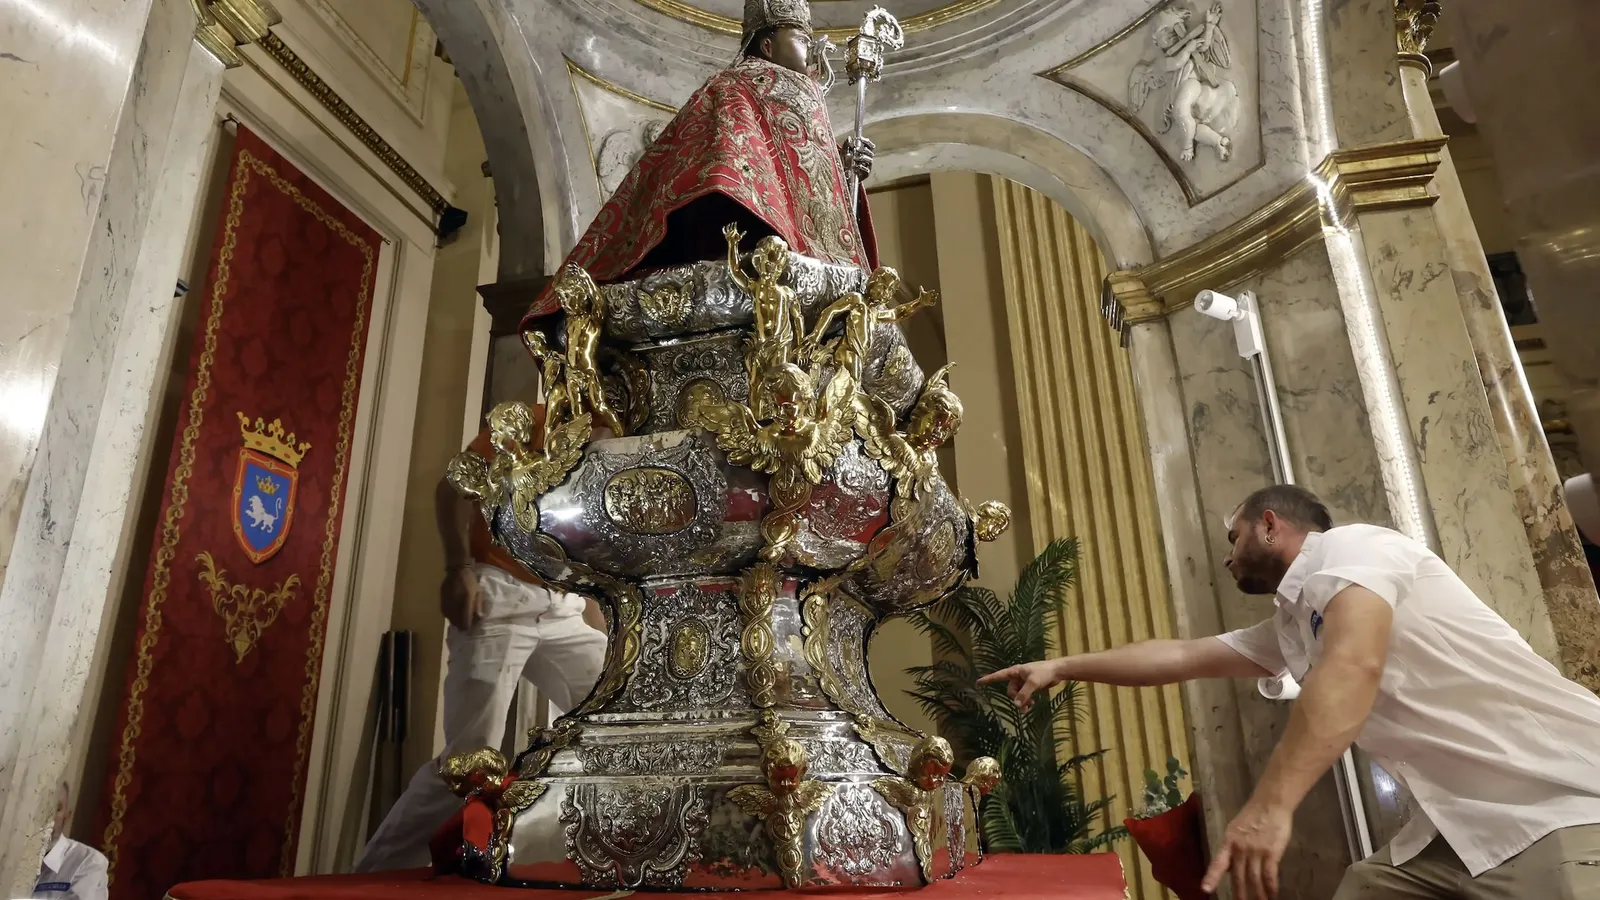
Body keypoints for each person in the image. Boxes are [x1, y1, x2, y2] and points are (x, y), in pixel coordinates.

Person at [981, 484, 1600, 900]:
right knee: (1367, 887)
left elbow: (1353, 664)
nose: (1228, 559)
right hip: (1458, 831)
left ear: (1269, 525)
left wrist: (1270, 807)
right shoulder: (1293, 623)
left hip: (1558, 803)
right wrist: (1061, 666)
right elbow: (1182, 656)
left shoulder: (1355, 548)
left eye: (1233, 538)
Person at [517, 0, 877, 332]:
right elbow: (726, 169)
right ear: (767, 46)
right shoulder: (732, 89)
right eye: (801, 40)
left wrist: (845, 173)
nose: (813, 52)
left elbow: (803, 187)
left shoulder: (798, 99)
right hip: (735, 241)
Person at [354, 413, 608, 872]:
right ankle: (375, 875)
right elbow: (452, 489)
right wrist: (458, 569)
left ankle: (580, 857)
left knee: (614, 716)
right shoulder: (538, 420)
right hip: (501, 595)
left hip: (564, 602)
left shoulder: (625, 430)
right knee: (470, 760)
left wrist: (602, 620)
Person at [33, 782, 107, 900]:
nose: (49, 817)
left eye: (57, 808)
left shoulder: (88, 861)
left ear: (67, 816)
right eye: (42, 807)